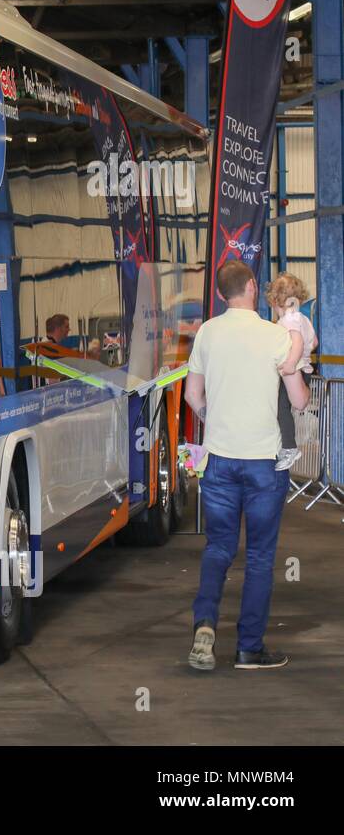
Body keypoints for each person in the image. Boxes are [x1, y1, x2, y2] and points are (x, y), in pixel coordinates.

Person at [184, 260, 309, 672]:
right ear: (254, 287)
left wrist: (212, 417)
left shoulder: (206, 333)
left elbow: (192, 396)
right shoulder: (276, 336)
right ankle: (248, 649)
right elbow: (299, 401)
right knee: (258, 557)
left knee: (218, 548)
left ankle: (205, 626)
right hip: (263, 466)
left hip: (218, 460)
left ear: (221, 295)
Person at [264, 273, 316, 471]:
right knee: (281, 407)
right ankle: (286, 446)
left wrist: (291, 363)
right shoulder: (302, 318)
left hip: (297, 370)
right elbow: (314, 342)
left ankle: (289, 447)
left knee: (280, 408)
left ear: (277, 301)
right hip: (306, 369)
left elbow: (298, 341)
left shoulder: (289, 319)